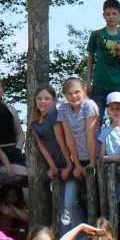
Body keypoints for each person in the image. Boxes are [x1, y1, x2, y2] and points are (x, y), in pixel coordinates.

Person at [55, 78, 99, 230]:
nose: (74, 96)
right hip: (77, 160)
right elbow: (68, 137)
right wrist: (76, 164)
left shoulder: (89, 105)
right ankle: (79, 239)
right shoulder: (63, 109)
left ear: (84, 92)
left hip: (94, 158)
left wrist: (92, 164)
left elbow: (91, 135)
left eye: (77, 92)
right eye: (70, 93)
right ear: (65, 96)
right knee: (70, 202)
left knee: (95, 201)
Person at [28, 85, 73, 222]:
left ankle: (78, 238)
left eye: (47, 98)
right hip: (56, 164)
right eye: (39, 98)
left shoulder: (54, 114)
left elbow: (61, 141)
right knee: (59, 206)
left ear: (54, 100)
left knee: (69, 204)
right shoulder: (34, 122)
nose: (43, 102)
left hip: (67, 161)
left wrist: (69, 164)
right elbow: (42, 147)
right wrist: (52, 166)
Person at [85, 0, 120, 109]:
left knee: (119, 118)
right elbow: (90, 59)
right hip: (99, 84)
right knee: (95, 118)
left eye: (114, 14)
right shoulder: (96, 35)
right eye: (108, 14)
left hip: (119, 85)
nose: (111, 17)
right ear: (103, 15)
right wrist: (88, 82)